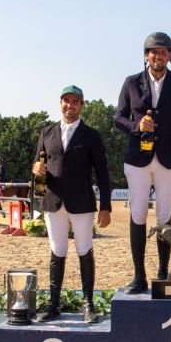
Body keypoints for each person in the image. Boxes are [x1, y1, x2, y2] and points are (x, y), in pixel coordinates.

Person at [113, 32, 171, 294]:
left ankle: (162, 272)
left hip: (169, 158)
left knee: (164, 215)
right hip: (138, 159)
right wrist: (136, 126)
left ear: (170, 56)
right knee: (138, 213)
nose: (158, 55)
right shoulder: (131, 82)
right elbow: (118, 117)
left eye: (163, 51)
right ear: (145, 55)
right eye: (153, 51)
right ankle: (139, 275)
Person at [31, 85, 112, 323]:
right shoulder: (47, 132)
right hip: (53, 200)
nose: (70, 105)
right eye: (66, 101)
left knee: (84, 249)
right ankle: (53, 304)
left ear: (82, 106)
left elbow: (103, 173)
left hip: (82, 202)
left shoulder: (92, 135)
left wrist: (105, 205)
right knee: (57, 251)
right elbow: (37, 164)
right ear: (60, 103)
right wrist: (36, 169)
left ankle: (88, 304)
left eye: (75, 101)